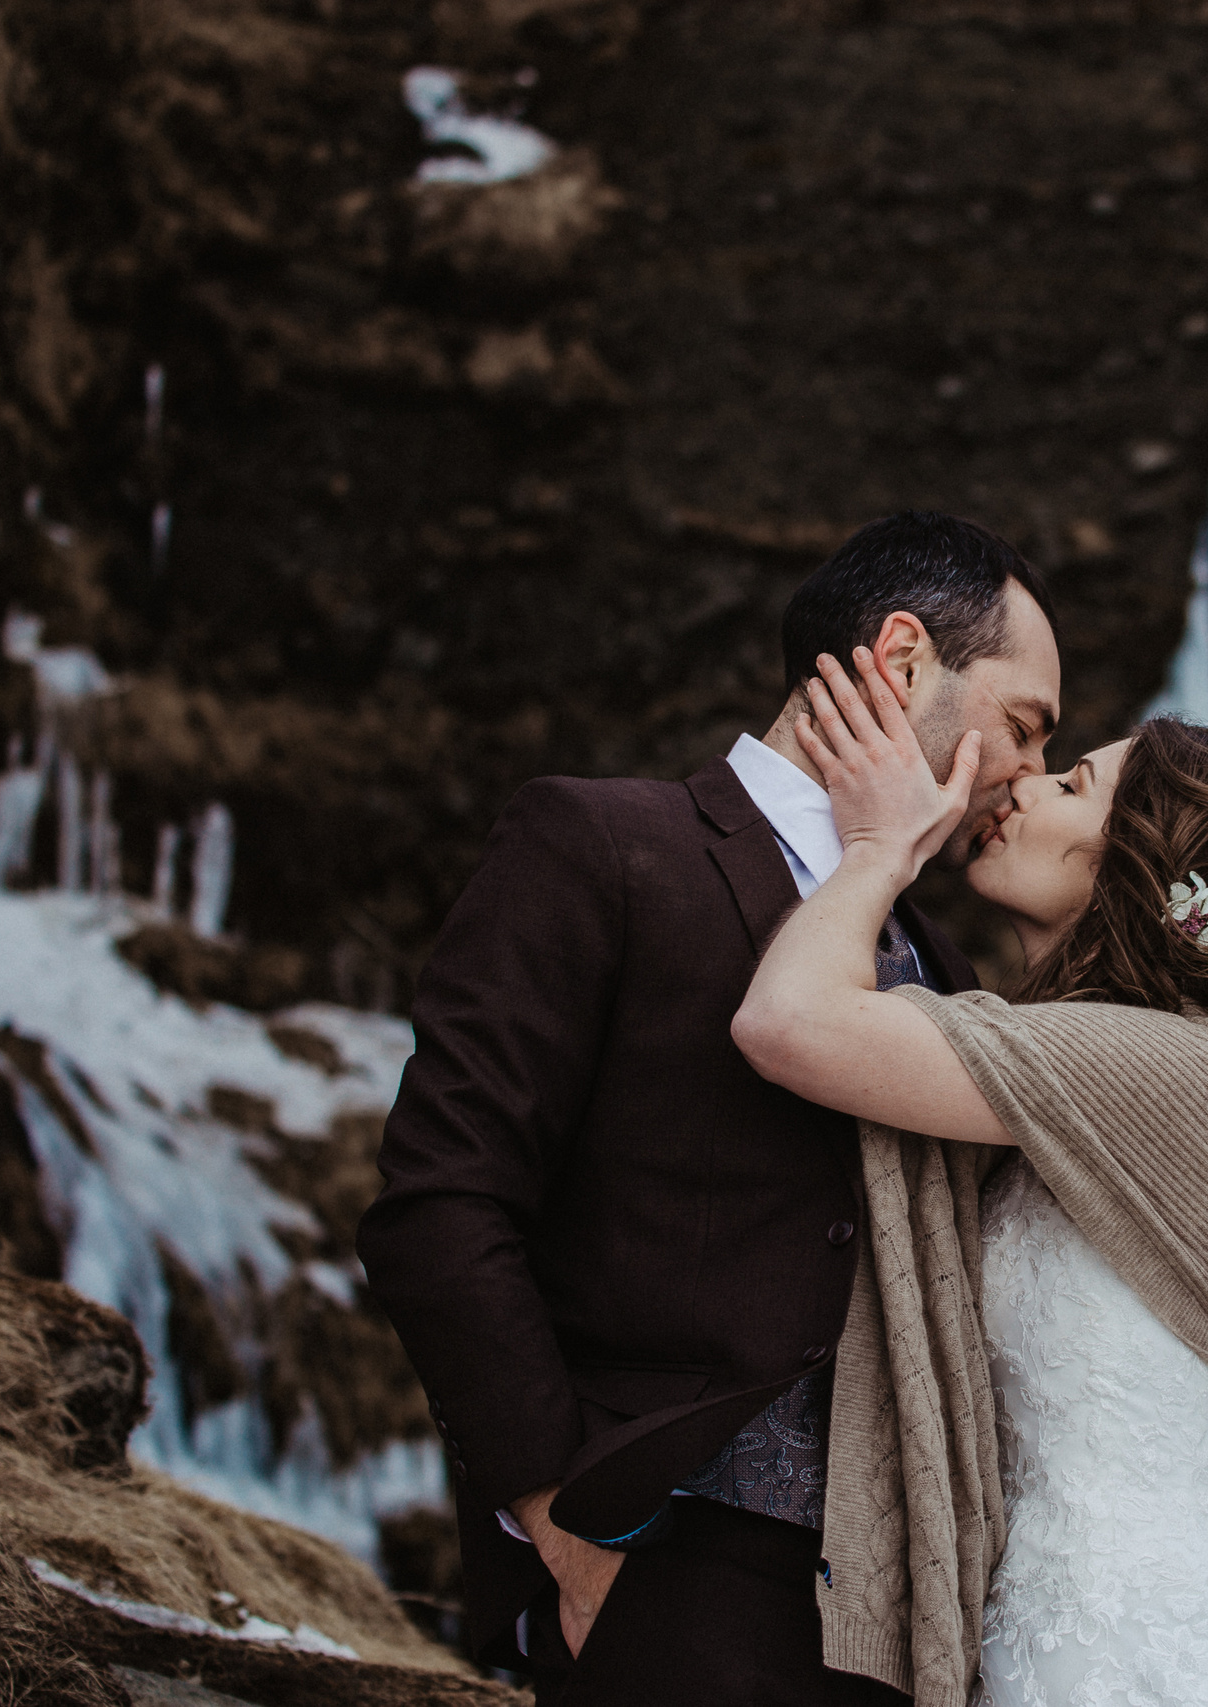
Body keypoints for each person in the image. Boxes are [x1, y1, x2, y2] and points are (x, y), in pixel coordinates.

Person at [357, 512, 1062, 1705]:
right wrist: (556, 1534)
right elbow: (440, 1203)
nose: (1029, 776)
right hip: (653, 1548)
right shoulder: (601, 843)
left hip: (882, 1612)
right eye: (1025, 726)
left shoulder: (940, 959)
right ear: (901, 661)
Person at [731, 650, 1208, 1707]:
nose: (1024, 784)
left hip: (1161, 1659)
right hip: (1051, 1648)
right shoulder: (1081, 1078)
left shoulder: (1167, 1066)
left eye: (1072, 781)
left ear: (1129, 864)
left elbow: (787, 1025)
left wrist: (875, 850)